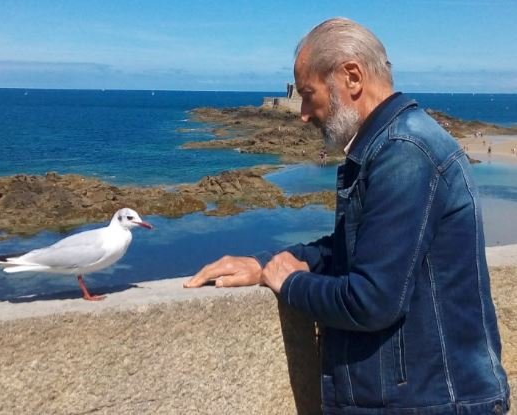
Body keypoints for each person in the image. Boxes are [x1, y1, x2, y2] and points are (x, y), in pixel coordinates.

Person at [184, 17, 510, 414]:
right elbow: (350, 249)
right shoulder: (387, 146)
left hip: (430, 402)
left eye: (308, 94)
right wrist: (264, 263)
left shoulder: (405, 153)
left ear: (351, 77)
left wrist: (290, 284)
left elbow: (371, 300)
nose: (303, 113)